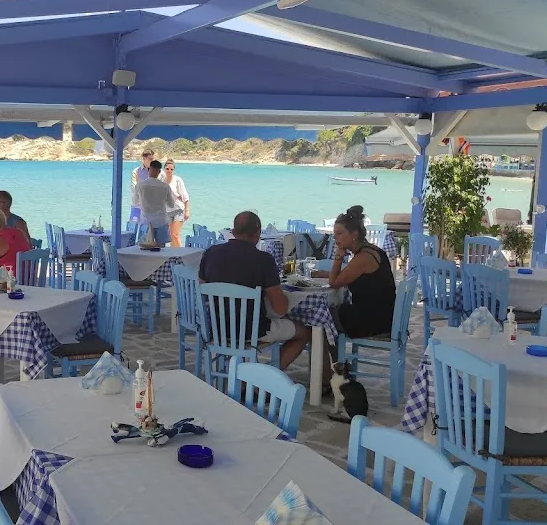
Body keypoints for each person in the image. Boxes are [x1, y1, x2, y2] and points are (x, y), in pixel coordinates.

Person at [199, 211, 313, 371]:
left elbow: (203, 291)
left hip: (217, 327)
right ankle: (263, 380)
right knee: (304, 332)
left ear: (233, 231)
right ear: (258, 232)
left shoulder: (210, 253)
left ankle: (245, 376)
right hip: (252, 331)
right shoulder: (264, 260)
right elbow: (280, 308)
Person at [327, 205, 397, 339]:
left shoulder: (363, 257)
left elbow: (333, 283)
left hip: (374, 321)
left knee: (323, 316)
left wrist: (338, 257)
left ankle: (330, 358)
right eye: (334, 234)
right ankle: (331, 357)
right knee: (331, 312)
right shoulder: (371, 250)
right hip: (383, 315)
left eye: (340, 233)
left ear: (354, 234)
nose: (335, 238)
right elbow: (348, 275)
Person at [132, 160, 176, 245]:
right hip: (161, 221)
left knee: (144, 250)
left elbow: (135, 202)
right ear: (159, 172)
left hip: (146, 221)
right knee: (161, 251)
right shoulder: (165, 187)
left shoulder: (140, 185)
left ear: (149, 170)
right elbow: (171, 204)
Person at [162, 159, 190, 247]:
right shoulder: (161, 181)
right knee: (170, 236)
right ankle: (173, 255)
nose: (169, 171)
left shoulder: (178, 180)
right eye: (167, 169)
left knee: (175, 235)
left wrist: (187, 211)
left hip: (178, 210)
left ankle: (181, 256)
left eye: (171, 169)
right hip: (167, 211)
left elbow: (185, 196)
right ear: (164, 169)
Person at [129, 149, 155, 224]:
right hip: (137, 206)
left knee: (150, 231)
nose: (152, 161)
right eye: (150, 159)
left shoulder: (158, 172)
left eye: (153, 159)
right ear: (144, 159)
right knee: (133, 228)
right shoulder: (136, 171)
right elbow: (134, 189)